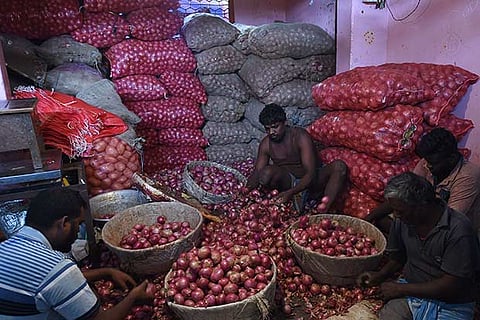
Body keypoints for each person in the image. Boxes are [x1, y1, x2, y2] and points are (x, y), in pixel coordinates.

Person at [0, 187, 154, 319]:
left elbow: (46, 282)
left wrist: (105, 272)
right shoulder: (55, 267)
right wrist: (133, 297)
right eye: (79, 224)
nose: (77, 233)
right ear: (65, 223)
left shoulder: (6, 248)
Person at [358, 172, 480, 320]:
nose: (395, 215)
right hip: (412, 294)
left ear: (421, 206)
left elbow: (453, 285)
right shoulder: (403, 221)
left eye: (400, 211)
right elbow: (398, 257)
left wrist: (400, 289)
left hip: (451, 304)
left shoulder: (458, 230)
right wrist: (380, 275)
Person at [365, 127, 480, 235]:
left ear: (452, 159)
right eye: (426, 161)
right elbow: (404, 192)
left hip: (450, 229)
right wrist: (368, 219)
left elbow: (449, 219)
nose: (427, 165)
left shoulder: (468, 175)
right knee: (381, 220)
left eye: (433, 163)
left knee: (398, 228)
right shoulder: (427, 163)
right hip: (425, 217)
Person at [246, 104, 347, 212]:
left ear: (284, 122)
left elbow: (311, 173)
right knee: (266, 174)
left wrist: (292, 192)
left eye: (275, 127)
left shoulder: (300, 136)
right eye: (267, 129)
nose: (271, 132)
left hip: (312, 180)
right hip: (289, 182)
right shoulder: (266, 144)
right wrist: (246, 192)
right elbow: (257, 171)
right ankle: (291, 202)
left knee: (339, 167)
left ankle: (323, 209)